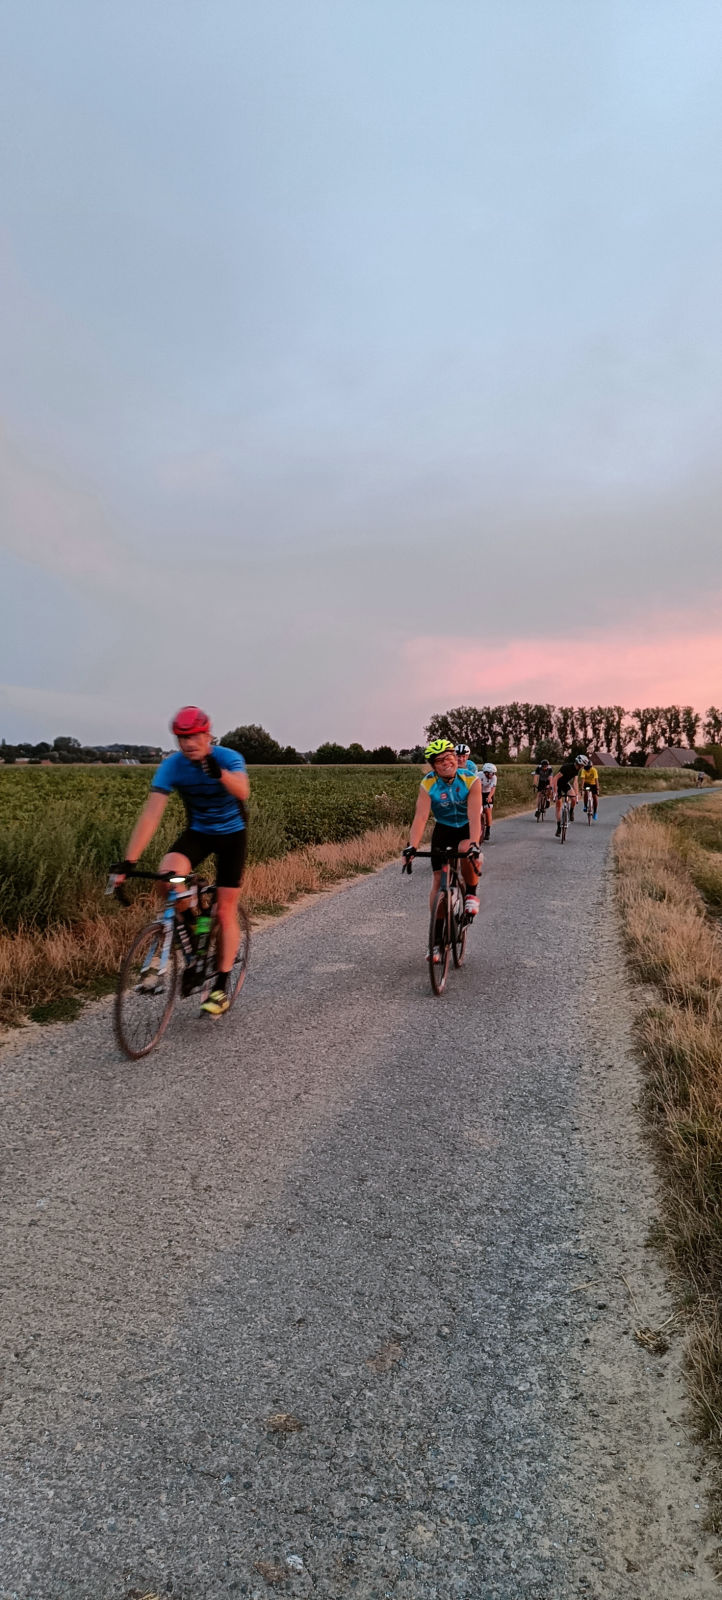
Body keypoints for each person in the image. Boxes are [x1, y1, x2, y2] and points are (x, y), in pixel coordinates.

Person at [113, 707, 250, 1016]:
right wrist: (129, 861)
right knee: (167, 880)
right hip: (199, 832)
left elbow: (243, 790)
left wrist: (219, 774)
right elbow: (151, 814)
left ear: (207, 735)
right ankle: (193, 932)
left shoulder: (227, 758)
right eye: (182, 738)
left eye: (194, 737)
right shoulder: (172, 766)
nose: (188, 744)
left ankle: (220, 987)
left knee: (225, 909)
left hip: (232, 835)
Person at [403, 739, 483, 959]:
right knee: (438, 882)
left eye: (449, 758)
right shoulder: (428, 784)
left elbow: (474, 816)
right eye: (440, 761)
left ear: (456, 759)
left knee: (467, 850)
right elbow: (420, 818)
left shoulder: (470, 780)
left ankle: (471, 895)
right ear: (433, 766)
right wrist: (412, 846)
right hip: (443, 829)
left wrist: (475, 844)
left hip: (467, 827)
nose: (446, 763)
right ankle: (436, 942)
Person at [554, 755, 582, 835]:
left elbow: (575, 782)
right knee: (558, 804)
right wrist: (555, 792)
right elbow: (555, 778)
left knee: (573, 799)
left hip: (565, 784)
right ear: (578, 764)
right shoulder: (566, 767)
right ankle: (559, 826)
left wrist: (576, 794)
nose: (582, 767)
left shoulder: (577, 770)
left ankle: (571, 811)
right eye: (582, 765)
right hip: (558, 785)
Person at [480, 762, 497, 840]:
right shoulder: (479, 775)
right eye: (490, 774)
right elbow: (478, 788)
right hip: (479, 792)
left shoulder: (494, 777)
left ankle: (488, 830)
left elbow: (493, 789)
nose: (492, 775)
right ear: (485, 773)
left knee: (488, 810)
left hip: (488, 792)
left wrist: (489, 797)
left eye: (493, 773)